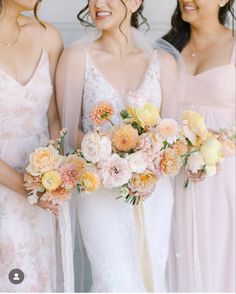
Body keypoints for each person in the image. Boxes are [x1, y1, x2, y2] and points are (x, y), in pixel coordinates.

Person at [56, 0, 182, 292]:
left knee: (153, 275)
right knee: (114, 281)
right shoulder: (76, 57)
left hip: (154, 191)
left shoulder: (163, 62)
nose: (99, 4)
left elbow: (173, 133)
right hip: (101, 190)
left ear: (136, 1)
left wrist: (149, 156)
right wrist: (104, 152)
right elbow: (65, 130)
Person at [163, 0, 235, 291]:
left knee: (217, 257)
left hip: (224, 177)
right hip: (173, 175)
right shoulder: (164, 49)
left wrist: (222, 144)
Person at [0, 0, 63, 291]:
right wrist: (25, 187)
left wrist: (51, 177)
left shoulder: (48, 36)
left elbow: (54, 117)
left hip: (42, 193)